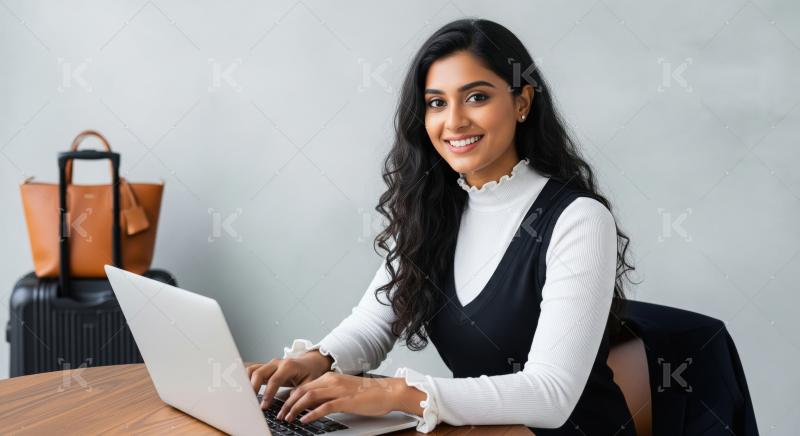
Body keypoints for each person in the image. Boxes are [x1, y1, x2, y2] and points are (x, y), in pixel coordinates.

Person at [247, 18, 637, 435]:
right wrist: (315, 361)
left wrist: (398, 395)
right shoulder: (433, 208)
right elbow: (375, 323)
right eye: (436, 103)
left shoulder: (578, 219)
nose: (453, 122)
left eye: (476, 97)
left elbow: (551, 394)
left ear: (522, 102)